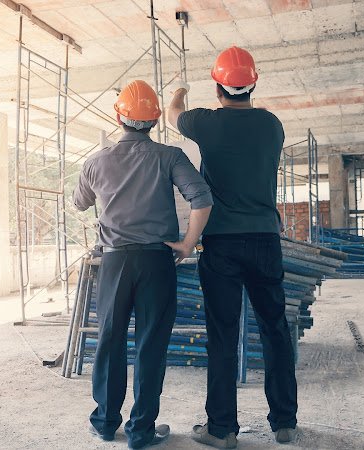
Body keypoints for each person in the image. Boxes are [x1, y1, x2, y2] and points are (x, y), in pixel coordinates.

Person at [166, 46, 298, 448]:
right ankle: (284, 423)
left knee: (222, 334)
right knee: (275, 329)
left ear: (217, 86)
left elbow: (173, 114)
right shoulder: (273, 125)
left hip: (221, 243)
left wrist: (180, 90)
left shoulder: (206, 123)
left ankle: (222, 430)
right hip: (264, 240)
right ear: (253, 83)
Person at [74, 79, 213, 449]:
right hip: (156, 262)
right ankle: (141, 431)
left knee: (110, 340)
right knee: (151, 344)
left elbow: (79, 203)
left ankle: (104, 422)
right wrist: (188, 242)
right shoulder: (170, 157)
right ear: (154, 120)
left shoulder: (96, 162)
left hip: (115, 262)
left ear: (118, 117)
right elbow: (202, 199)